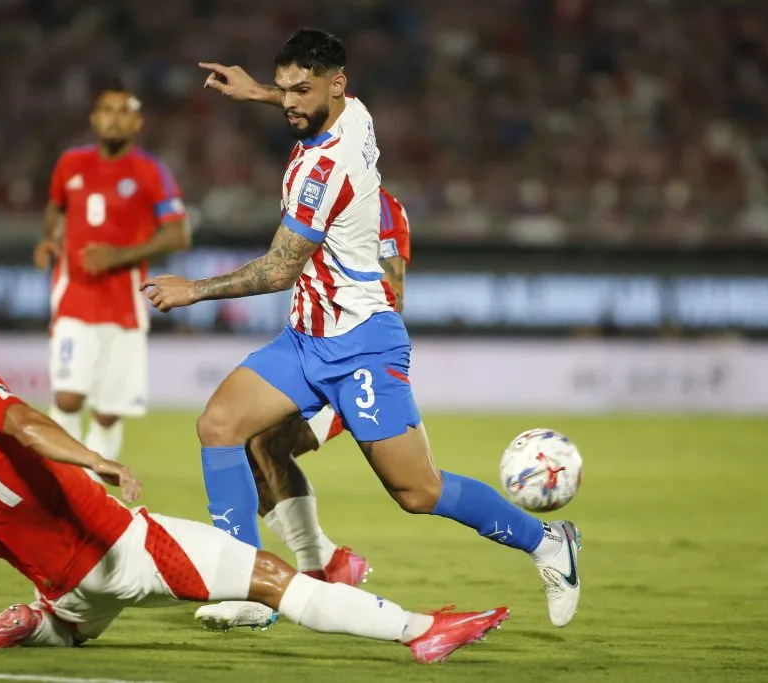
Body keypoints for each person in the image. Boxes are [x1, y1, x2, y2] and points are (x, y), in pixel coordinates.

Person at [142, 28, 582, 630]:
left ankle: (549, 542)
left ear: (336, 85)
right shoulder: (356, 113)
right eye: (287, 89)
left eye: (301, 90)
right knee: (220, 426)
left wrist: (193, 289)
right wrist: (259, 92)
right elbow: (307, 101)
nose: (291, 101)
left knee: (417, 492)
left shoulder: (325, 169)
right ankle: (248, 586)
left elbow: (278, 270)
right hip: (305, 340)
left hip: (361, 346)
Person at [0, 328, 508, 665]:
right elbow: (27, 424)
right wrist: (94, 457)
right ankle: (420, 630)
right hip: (119, 545)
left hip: (64, 583)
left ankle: (38, 624)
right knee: (270, 579)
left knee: (78, 623)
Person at [196, 187, 410, 630]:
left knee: (265, 443)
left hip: (349, 363)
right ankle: (324, 563)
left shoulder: (382, 207)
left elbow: (393, 291)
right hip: (309, 353)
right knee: (245, 448)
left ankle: (311, 567)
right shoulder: (315, 193)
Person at [33, 82, 191, 463]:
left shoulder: (150, 172)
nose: (114, 119)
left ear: (137, 123)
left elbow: (178, 235)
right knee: (68, 398)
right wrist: (49, 238)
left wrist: (119, 256)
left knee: (107, 412)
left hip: (125, 305)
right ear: (94, 118)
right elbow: (55, 206)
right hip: (74, 296)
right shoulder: (71, 164)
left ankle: (92, 484)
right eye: (107, 110)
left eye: (124, 112)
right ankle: (63, 481)